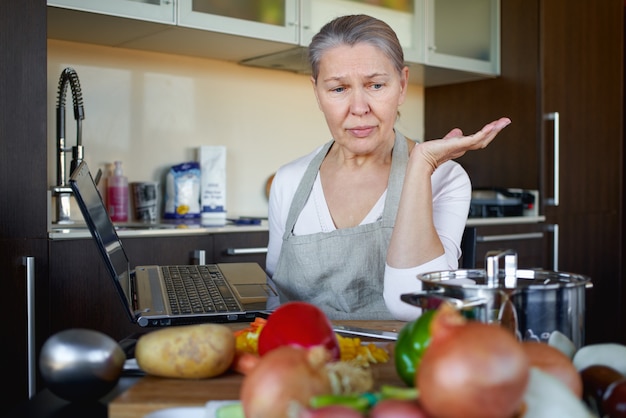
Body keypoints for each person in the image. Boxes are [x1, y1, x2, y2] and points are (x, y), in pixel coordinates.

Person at [265, 14, 511, 321]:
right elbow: (275, 297)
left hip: (401, 364)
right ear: (317, 93)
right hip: (301, 362)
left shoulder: (444, 177)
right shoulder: (289, 181)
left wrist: (421, 165)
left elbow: (421, 306)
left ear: (402, 85)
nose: (358, 108)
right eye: (338, 89)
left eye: (376, 85)